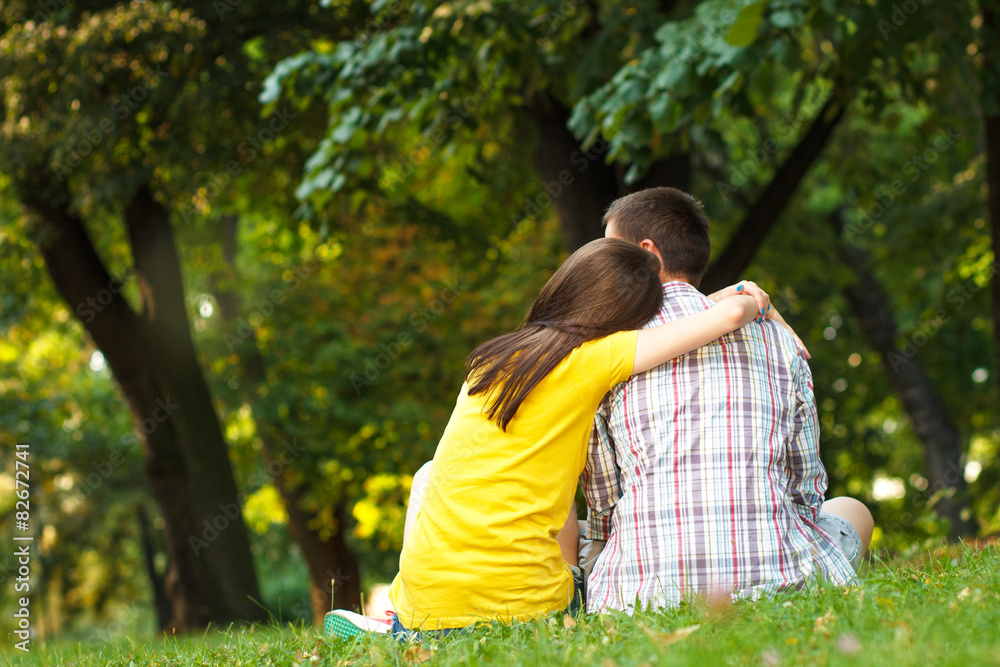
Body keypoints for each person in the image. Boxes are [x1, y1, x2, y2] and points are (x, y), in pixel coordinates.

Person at [326, 236, 775, 639]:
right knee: (582, 520)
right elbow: (730, 315)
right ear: (631, 319)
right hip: (526, 616)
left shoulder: (494, 359)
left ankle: (395, 624)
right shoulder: (598, 358)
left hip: (424, 617)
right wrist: (755, 300)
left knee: (431, 475)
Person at [581, 187, 875, 614]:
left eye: (612, 252)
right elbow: (805, 488)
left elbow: (605, 504)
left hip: (641, 593)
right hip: (780, 579)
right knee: (850, 510)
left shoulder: (609, 349)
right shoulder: (781, 340)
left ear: (648, 253)